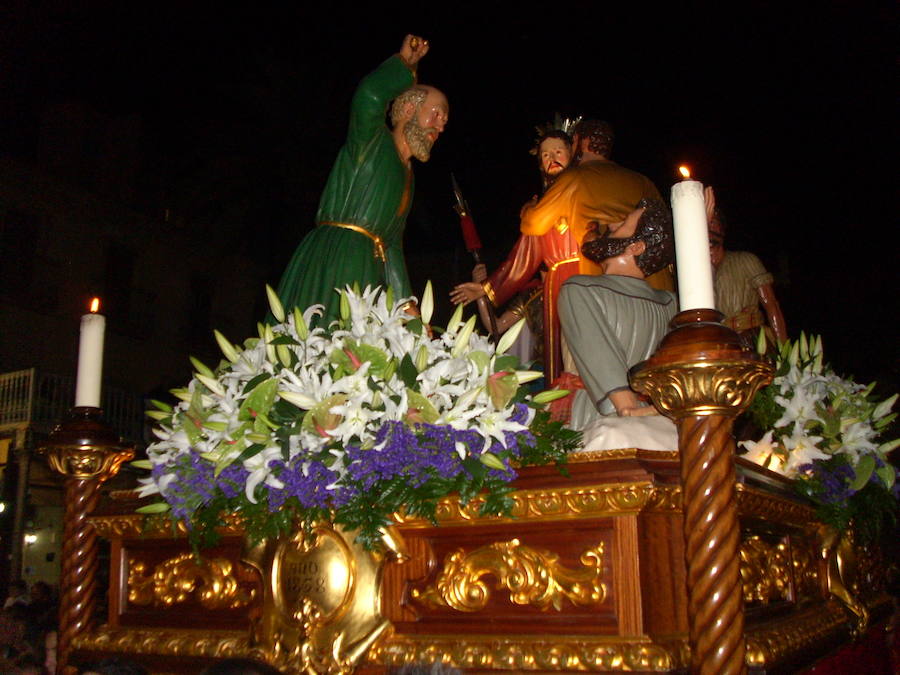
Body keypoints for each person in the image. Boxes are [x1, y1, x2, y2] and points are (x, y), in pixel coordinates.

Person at [451, 119, 670, 383]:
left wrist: (529, 213)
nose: (552, 159)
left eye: (558, 152)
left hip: (586, 275)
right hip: (577, 282)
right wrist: (488, 288)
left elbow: (531, 225)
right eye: (545, 155)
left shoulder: (572, 181)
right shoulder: (634, 181)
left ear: (575, 149)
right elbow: (527, 251)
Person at [274, 34, 448, 326]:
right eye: (437, 114)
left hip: (370, 266)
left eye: (444, 121)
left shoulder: (408, 176)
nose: (441, 126)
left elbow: (391, 244)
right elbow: (370, 94)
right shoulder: (371, 140)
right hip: (339, 254)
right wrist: (405, 64)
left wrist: (406, 305)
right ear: (408, 110)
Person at [559, 198, 677, 426]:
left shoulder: (580, 290)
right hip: (655, 415)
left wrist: (626, 404)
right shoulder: (669, 303)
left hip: (599, 413)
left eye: (623, 224)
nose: (611, 227)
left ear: (637, 247)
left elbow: (599, 353)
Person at [705, 187, 787, 346]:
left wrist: (784, 351)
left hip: (751, 340)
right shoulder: (696, 273)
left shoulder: (746, 261)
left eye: (713, 223)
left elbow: (771, 306)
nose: (709, 229)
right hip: (719, 344)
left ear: (722, 229)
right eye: (704, 223)